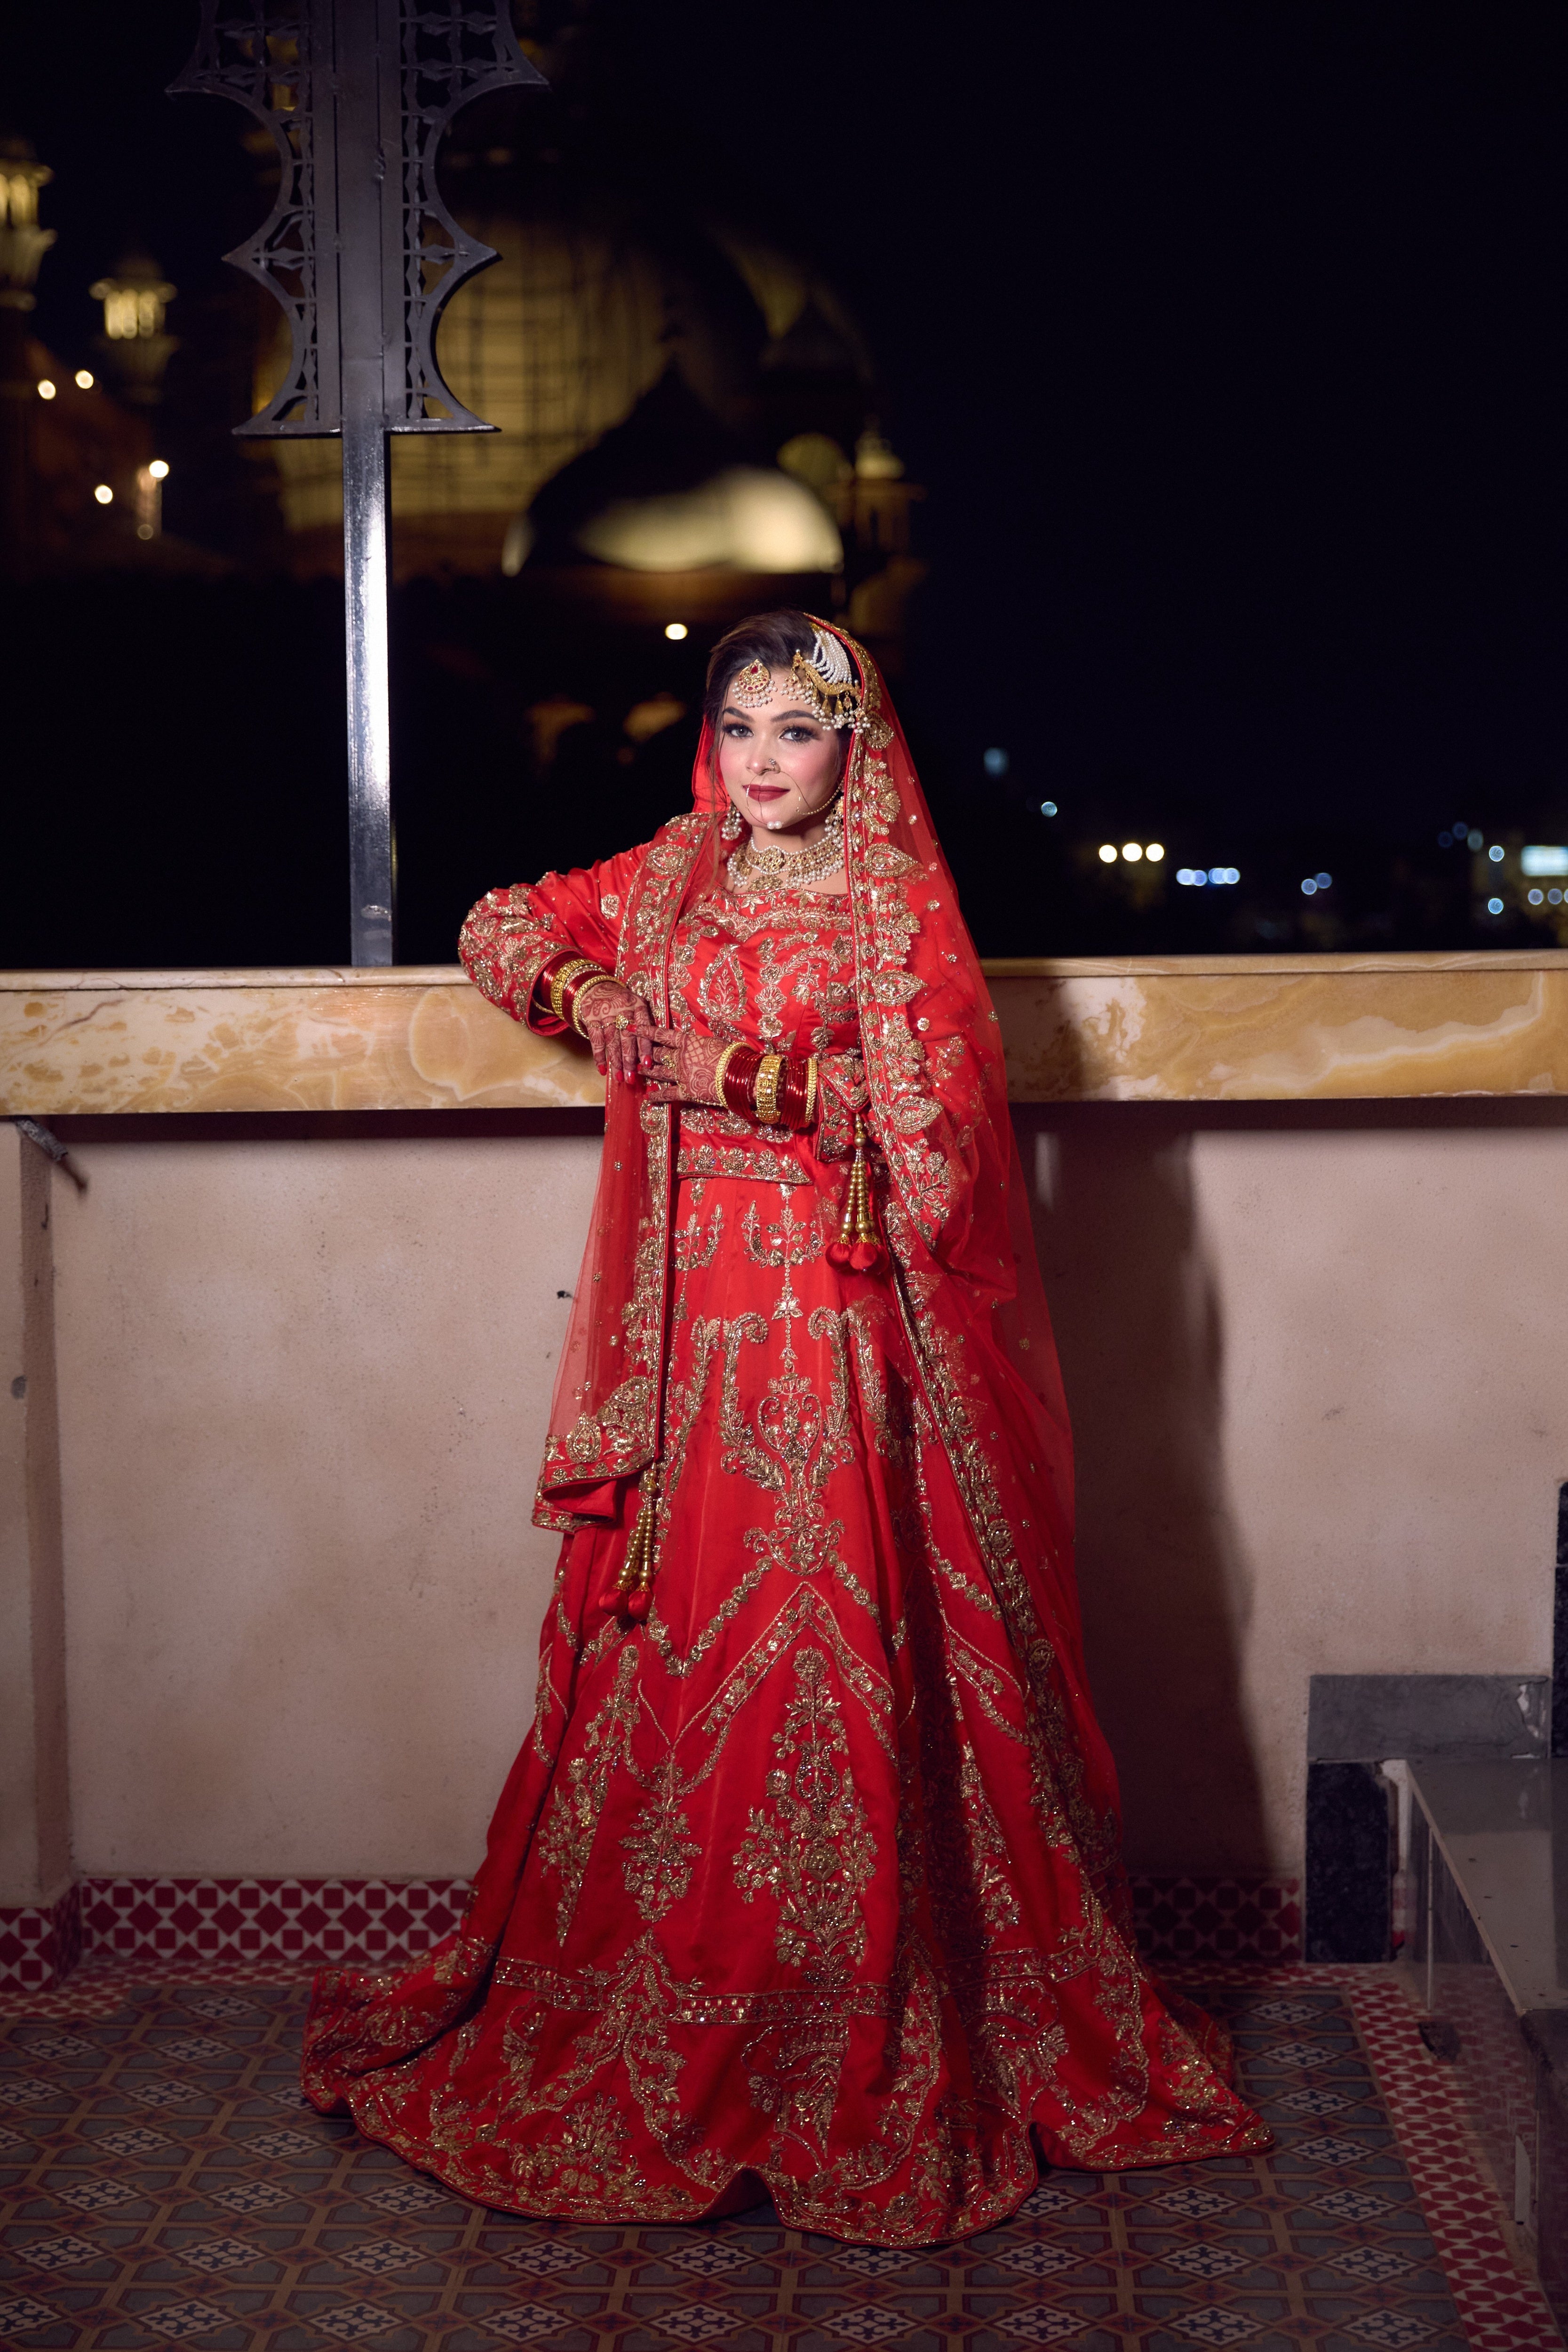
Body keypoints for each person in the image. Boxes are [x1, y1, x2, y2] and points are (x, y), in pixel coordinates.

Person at [302, 610, 1267, 2243]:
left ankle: (868, 2016)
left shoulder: (894, 906)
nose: (762, 762)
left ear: (853, 749)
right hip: (689, 1340)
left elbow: (947, 1144)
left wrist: (776, 1088)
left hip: (835, 1325)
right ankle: (663, 2005)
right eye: (739, 727)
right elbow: (493, 923)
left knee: (842, 1632)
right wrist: (602, 1003)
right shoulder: (671, 871)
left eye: (795, 734)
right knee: (676, 1639)